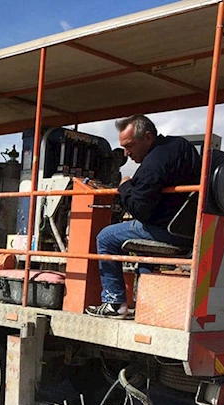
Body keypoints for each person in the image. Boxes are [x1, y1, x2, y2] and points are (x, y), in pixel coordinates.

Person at [86, 114, 201, 319]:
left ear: (148, 137)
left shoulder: (153, 164)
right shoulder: (181, 146)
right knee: (142, 246)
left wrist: (125, 187)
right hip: (190, 230)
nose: (127, 153)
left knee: (105, 237)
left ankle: (114, 303)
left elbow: (140, 209)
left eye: (130, 146)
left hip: (165, 230)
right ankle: (146, 304)